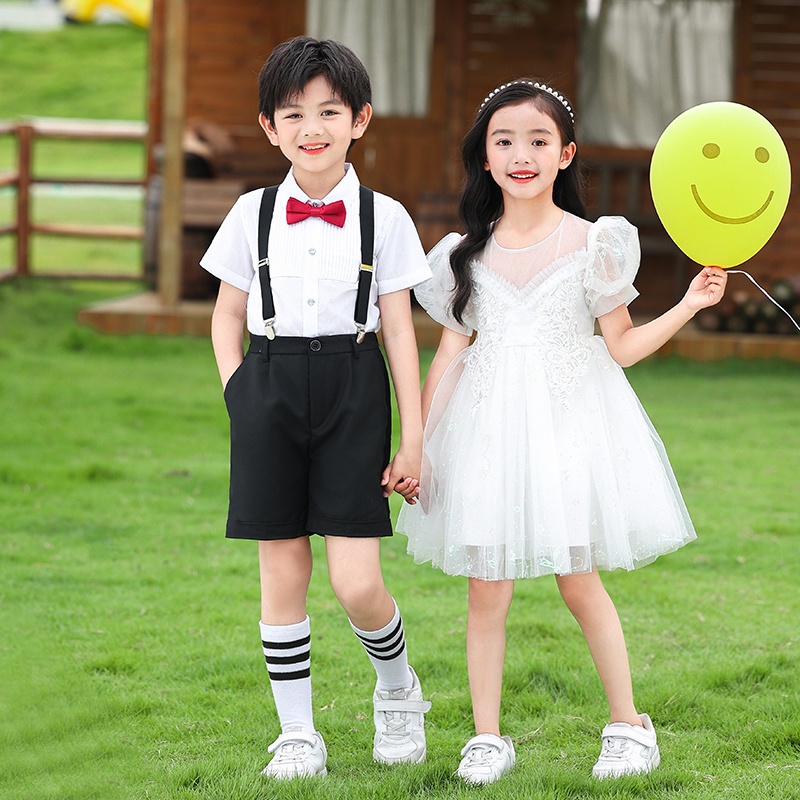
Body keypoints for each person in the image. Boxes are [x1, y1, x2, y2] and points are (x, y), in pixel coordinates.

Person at [398, 79, 727, 785]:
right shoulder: (463, 255)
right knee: (486, 588)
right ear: (485, 158)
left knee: (579, 581)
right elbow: (452, 352)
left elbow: (624, 347)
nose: (522, 154)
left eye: (539, 140)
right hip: (487, 434)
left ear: (565, 154)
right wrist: (419, 441)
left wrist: (692, 303)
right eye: (504, 140)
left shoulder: (594, 244)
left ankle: (629, 725)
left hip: (570, 429)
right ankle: (487, 736)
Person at [201, 36, 431, 779]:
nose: (313, 128)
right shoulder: (249, 213)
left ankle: (397, 687)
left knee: (356, 580)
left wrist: (413, 436)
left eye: (329, 111)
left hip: (354, 386)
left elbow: (399, 328)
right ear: (270, 126)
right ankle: (297, 734)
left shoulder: (384, 217)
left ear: (359, 119)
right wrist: (241, 392)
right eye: (294, 113)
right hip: (267, 385)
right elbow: (224, 315)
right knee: (282, 572)